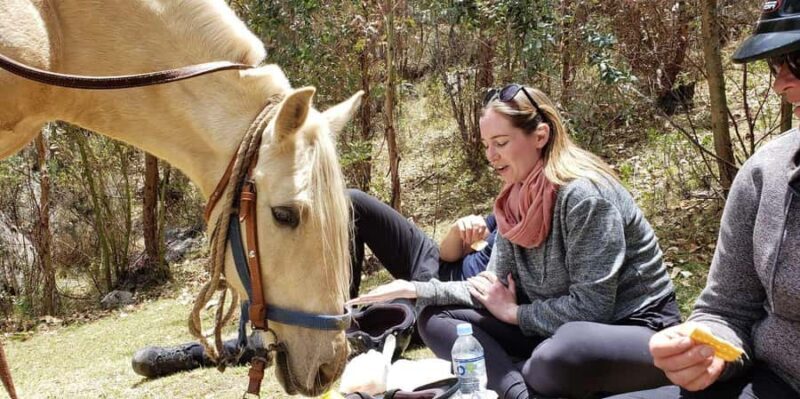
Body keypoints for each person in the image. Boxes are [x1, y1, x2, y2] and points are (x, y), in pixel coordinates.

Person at [347, 84, 681, 399]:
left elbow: (592, 309)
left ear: (540, 135)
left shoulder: (585, 197)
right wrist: (416, 290)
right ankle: (520, 392)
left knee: (558, 356)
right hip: (550, 327)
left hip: (631, 327)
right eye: (486, 145)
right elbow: (488, 286)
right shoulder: (514, 200)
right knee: (435, 318)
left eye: (501, 143)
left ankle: (522, 377)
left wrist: (515, 313)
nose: (491, 156)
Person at [608, 2, 800, 398]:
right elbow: (727, 308)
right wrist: (708, 348)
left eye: (796, 61)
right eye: (777, 63)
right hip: (773, 380)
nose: (781, 84)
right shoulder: (766, 172)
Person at [132, 189, 498, 378]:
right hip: (433, 262)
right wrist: (456, 234)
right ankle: (340, 312)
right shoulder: (512, 201)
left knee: (374, 329)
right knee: (351, 204)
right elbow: (450, 254)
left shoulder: (552, 216)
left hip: (451, 301)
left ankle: (194, 355)